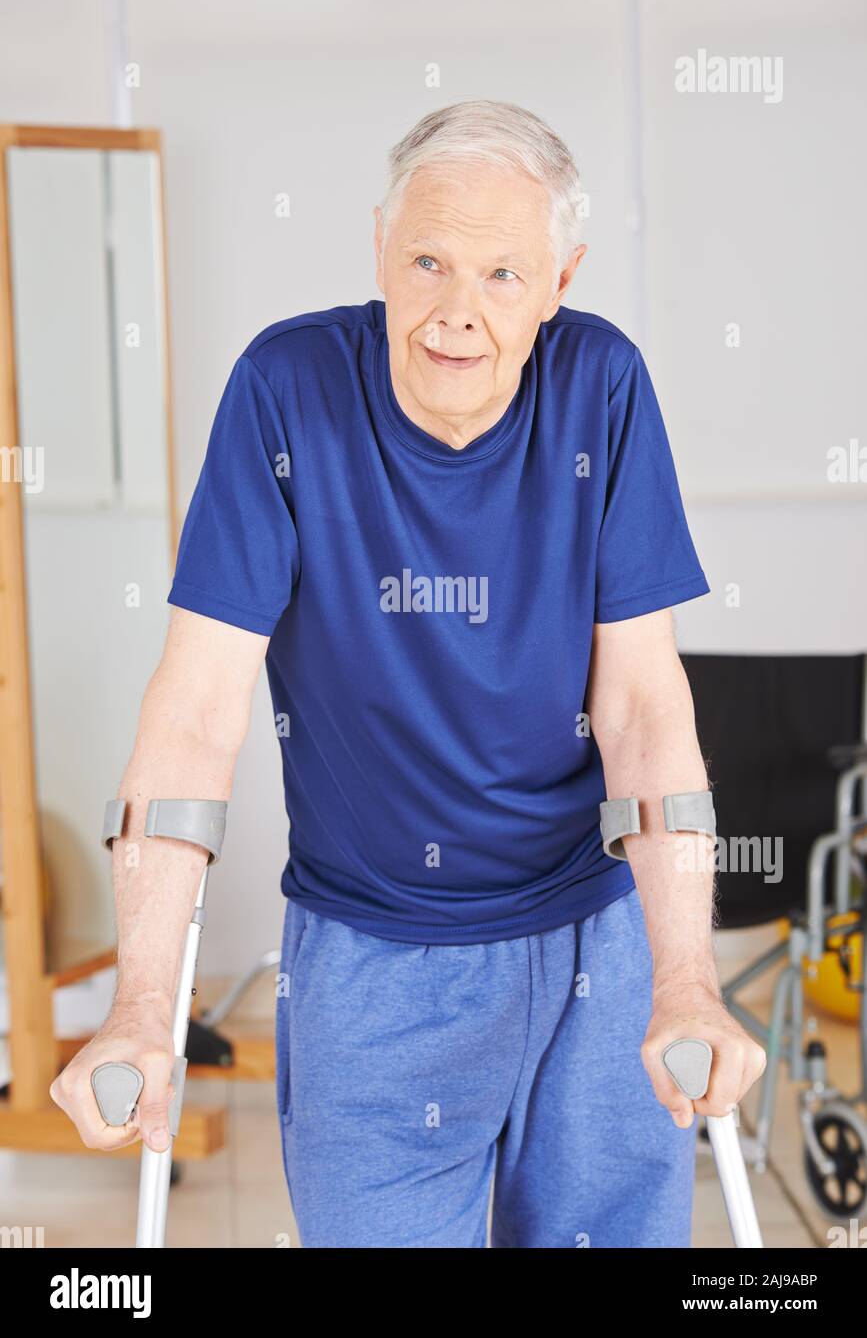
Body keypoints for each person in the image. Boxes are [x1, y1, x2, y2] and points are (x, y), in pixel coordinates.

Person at [51, 100, 765, 1248]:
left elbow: (640, 704)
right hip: (372, 959)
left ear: (560, 281)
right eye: (428, 260)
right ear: (380, 243)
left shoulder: (605, 390)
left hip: (594, 940)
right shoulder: (285, 392)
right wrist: (142, 1007)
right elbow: (194, 711)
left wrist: (683, 977)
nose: (456, 313)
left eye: (501, 275)